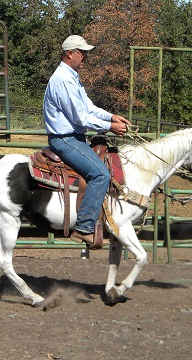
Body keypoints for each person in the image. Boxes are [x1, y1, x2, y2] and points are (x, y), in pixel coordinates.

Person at [43, 35, 131, 249]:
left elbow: (89, 108)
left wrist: (110, 117)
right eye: (82, 53)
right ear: (69, 54)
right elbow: (80, 118)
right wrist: (110, 127)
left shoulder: (72, 77)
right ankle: (84, 228)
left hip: (73, 138)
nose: (86, 58)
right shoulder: (63, 80)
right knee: (100, 174)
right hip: (65, 140)